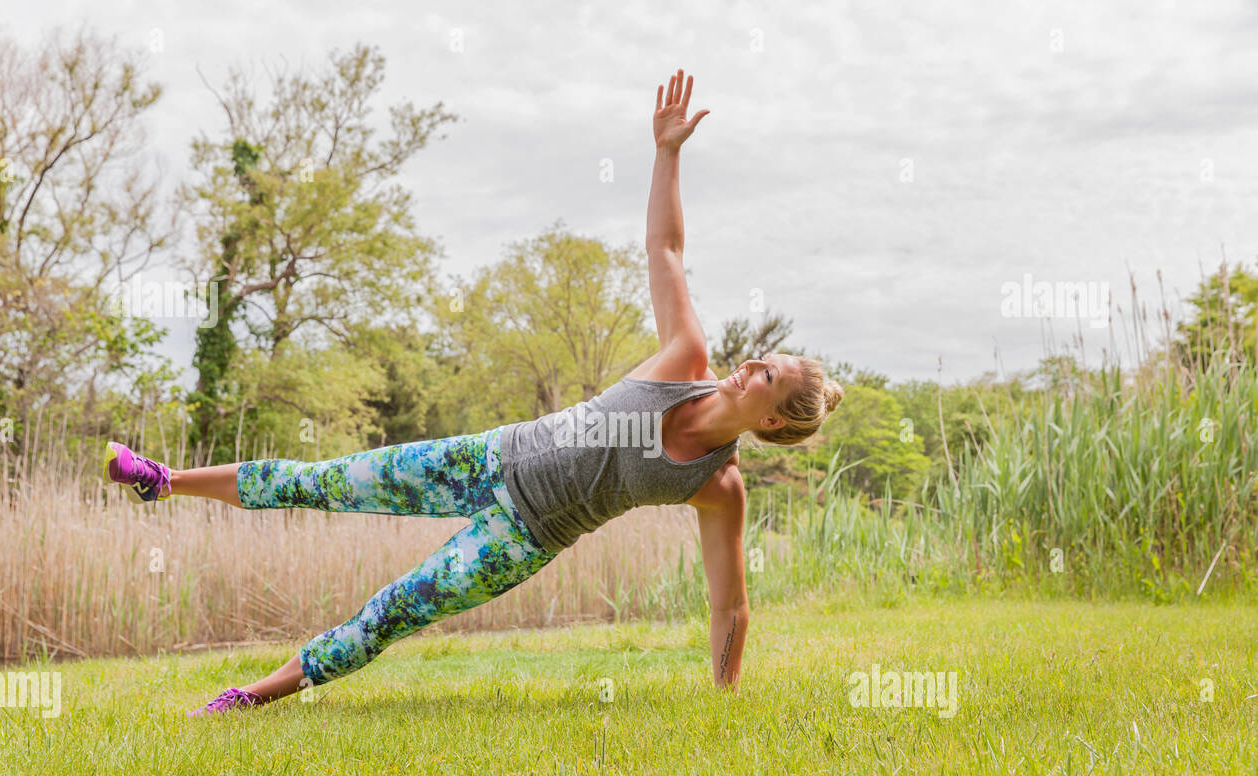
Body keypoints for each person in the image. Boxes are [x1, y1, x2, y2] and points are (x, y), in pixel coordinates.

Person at [104, 69, 843, 716]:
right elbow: (666, 250)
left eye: (766, 377)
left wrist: (725, 699)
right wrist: (665, 153)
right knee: (322, 480)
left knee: (394, 610)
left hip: (522, 537)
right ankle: (163, 483)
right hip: (486, 459)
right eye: (762, 359)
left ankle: (248, 697)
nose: (750, 367)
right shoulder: (685, 358)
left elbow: (729, 607)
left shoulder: (720, 486)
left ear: (773, 418)